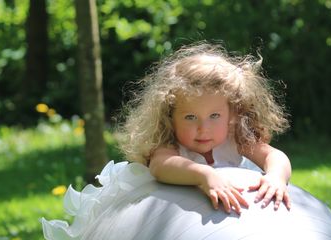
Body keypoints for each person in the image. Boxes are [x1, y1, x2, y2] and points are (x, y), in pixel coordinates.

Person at [117, 41, 291, 215]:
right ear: (169, 117)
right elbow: (160, 166)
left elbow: (274, 156)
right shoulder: (170, 145)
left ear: (233, 113)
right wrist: (204, 175)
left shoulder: (236, 140)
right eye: (190, 117)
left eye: (214, 116)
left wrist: (276, 176)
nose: (203, 129)